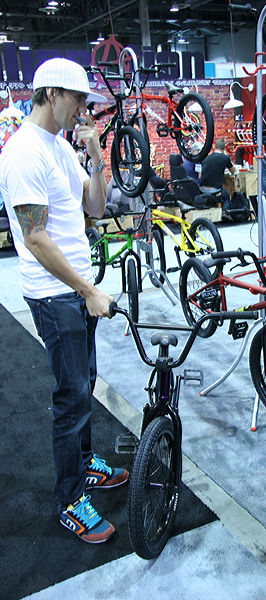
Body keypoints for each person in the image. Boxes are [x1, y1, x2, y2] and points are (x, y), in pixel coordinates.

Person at [0, 58, 129, 544]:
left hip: (75, 288)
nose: (83, 110)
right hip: (56, 295)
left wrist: (95, 155)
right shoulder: (23, 153)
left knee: (85, 382)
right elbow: (34, 238)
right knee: (71, 396)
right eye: (78, 100)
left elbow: (94, 206)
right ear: (53, 94)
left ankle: (85, 460)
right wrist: (89, 289)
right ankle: (71, 498)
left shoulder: (58, 146)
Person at [199, 138, 235, 220]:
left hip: (202, 189)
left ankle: (215, 214)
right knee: (226, 196)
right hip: (215, 190)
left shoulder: (206, 158)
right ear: (224, 147)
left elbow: (200, 176)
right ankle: (225, 213)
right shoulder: (225, 158)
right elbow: (233, 171)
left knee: (214, 197)